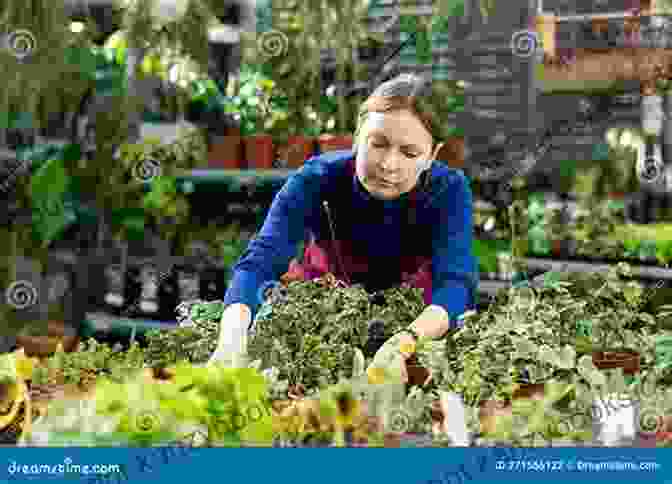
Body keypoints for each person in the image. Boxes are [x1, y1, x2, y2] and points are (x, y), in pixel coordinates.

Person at [208, 73, 477, 381]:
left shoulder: (448, 190)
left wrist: (405, 343)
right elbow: (259, 263)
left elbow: (456, 285)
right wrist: (231, 338)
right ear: (357, 135)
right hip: (320, 325)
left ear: (432, 156)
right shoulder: (318, 178)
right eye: (378, 144)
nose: (389, 164)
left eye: (409, 153)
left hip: (416, 326)